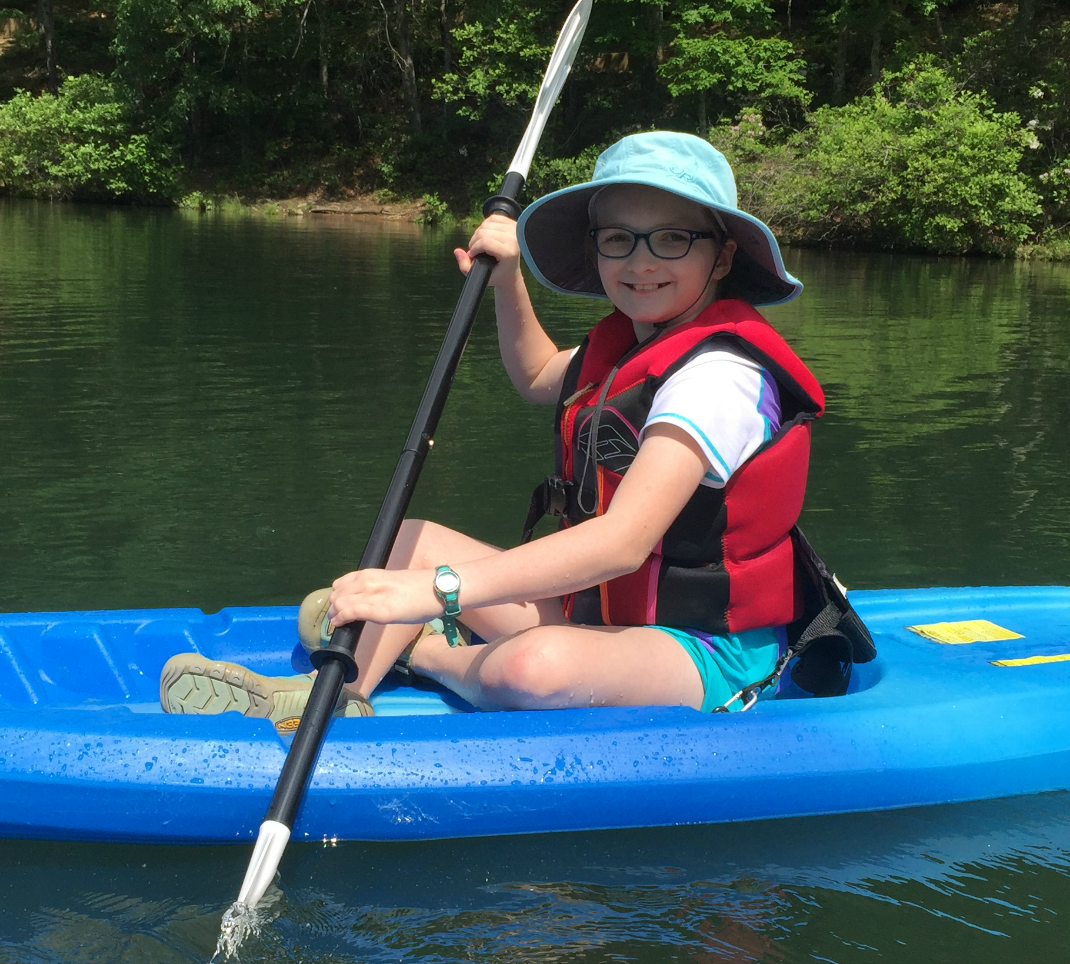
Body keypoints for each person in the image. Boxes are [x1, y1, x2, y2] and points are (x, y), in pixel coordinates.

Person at [159, 131, 829, 724]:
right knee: (414, 537)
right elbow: (537, 373)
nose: (641, 261)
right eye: (619, 238)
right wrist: (507, 279)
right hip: (600, 611)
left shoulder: (719, 377)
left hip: (706, 650)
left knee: (530, 668)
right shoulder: (628, 348)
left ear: (720, 257)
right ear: (596, 248)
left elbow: (625, 543)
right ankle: (338, 691)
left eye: (673, 238)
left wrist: (431, 595)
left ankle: (425, 649)